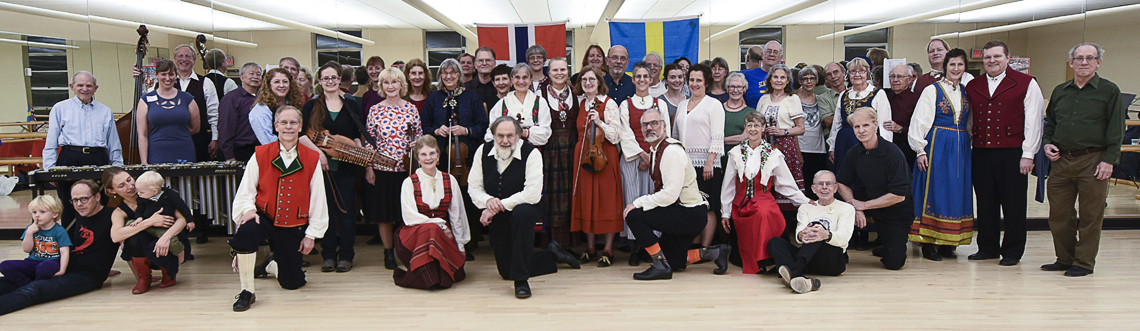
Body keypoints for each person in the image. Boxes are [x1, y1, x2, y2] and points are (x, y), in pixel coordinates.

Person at [229, 106, 328, 312]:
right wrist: (248, 210)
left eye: (293, 123)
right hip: (264, 216)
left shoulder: (311, 158)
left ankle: (270, 265)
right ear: (276, 126)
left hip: (292, 223)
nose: (288, 127)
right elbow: (246, 190)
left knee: (293, 283)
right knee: (247, 229)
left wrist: (311, 234)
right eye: (284, 122)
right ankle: (247, 291)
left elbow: (318, 199)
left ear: (300, 126)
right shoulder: (260, 154)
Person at [469, 117, 580, 298]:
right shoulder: (482, 151)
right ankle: (552, 254)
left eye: (510, 136)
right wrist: (488, 201)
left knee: (522, 213)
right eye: (500, 136)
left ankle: (521, 281)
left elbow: (532, 194)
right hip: (499, 211)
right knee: (506, 271)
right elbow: (474, 187)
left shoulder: (531, 153)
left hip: (530, 206)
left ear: (519, 136)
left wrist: (496, 206)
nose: (505, 141)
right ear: (493, 136)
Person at [1041, 43, 1125, 277]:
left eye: (1090, 58)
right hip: (1061, 161)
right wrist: (1047, 143)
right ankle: (1065, 258)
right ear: (1071, 63)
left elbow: (1116, 128)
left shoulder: (1109, 90)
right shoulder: (1061, 90)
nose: (1084, 62)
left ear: (1098, 62)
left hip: (1094, 159)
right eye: (1079, 58)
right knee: (1059, 214)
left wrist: (1109, 160)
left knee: (1090, 215)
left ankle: (1084, 263)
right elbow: (1051, 124)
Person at [965, 40, 1046, 267]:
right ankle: (987, 247)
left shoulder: (1027, 83)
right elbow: (969, 118)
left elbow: (1034, 121)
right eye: (988, 57)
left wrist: (1028, 153)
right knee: (985, 201)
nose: (992, 61)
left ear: (1008, 58)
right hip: (981, 151)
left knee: (1014, 203)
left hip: (1013, 152)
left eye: (997, 56)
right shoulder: (973, 85)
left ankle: (1012, 250)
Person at [624, 108, 729, 280]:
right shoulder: (656, 150)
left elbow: (670, 195)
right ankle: (714, 252)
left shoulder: (671, 151)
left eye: (654, 123)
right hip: (684, 212)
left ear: (664, 126)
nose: (649, 127)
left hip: (689, 213)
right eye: (645, 125)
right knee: (673, 262)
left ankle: (659, 265)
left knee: (634, 215)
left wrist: (637, 203)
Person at [0, 181, 118, 315]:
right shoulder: (76, 215)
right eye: (75, 200)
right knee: (6, 282)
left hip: (86, 275)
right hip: (59, 265)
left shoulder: (113, 215)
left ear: (97, 197)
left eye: (84, 199)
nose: (79, 204)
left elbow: (125, 243)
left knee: (35, 289)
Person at [721, 111, 811, 274]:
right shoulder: (735, 153)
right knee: (750, 215)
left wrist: (805, 201)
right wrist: (725, 213)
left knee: (764, 213)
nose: (753, 129)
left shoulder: (773, 153)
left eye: (757, 125)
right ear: (745, 128)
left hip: (763, 199)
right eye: (750, 125)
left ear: (764, 127)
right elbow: (728, 186)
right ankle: (749, 259)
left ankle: (765, 259)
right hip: (741, 202)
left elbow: (786, 184)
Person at [907, 48, 974, 261]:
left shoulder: (966, 91)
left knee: (956, 191)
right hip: (937, 145)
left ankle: (948, 242)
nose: (956, 68)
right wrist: (920, 150)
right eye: (952, 64)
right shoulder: (932, 90)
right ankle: (927, 243)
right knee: (933, 190)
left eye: (960, 65)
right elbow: (919, 121)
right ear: (945, 67)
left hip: (960, 146)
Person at [302, 62, 369, 273]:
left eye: (334, 78)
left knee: (348, 211)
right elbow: (301, 135)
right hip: (320, 167)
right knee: (326, 211)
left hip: (347, 166)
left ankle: (346, 256)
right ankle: (329, 256)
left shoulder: (351, 103)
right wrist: (318, 153)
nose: (330, 82)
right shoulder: (311, 106)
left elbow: (358, 134)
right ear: (319, 81)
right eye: (325, 78)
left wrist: (360, 150)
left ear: (340, 79)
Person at [422, 58, 490, 258]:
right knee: (444, 199)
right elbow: (423, 126)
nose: (449, 76)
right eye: (445, 73)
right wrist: (436, 130)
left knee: (466, 200)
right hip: (440, 158)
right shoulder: (434, 98)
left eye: (453, 73)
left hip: (466, 160)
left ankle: (468, 243)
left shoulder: (472, 97)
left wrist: (466, 130)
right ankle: (445, 242)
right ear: (440, 76)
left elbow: (483, 127)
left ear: (460, 75)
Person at [42, 71, 123, 228]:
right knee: (70, 206)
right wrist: (50, 168)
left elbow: (113, 143)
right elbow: (51, 140)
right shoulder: (60, 109)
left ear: (95, 88)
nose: (84, 89)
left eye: (88, 85)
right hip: (69, 157)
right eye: (80, 85)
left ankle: (98, 246)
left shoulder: (105, 111)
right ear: (72, 86)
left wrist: (117, 169)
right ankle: (71, 248)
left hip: (98, 159)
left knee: (99, 204)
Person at [836, 107, 912, 270]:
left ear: (875, 125)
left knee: (894, 263)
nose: (861, 130)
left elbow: (899, 195)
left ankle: (887, 246)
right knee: (835, 202)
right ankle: (837, 252)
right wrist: (855, 206)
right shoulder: (854, 153)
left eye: (866, 125)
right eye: (857, 127)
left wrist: (864, 206)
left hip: (895, 210)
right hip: (868, 200)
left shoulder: (893, 154)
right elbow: (841, 182)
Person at [364, 67, 424, 270]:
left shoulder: (410, 109)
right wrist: (369, 168)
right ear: (382, 86)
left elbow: (419, 136)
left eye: (394, 82)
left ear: (401, 85)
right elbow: (369, 143)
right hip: (382, 169)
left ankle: (405, 249)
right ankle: (388, 252)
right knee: (384, 214)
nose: (391, 86)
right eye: (386, 83)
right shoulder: (375, 110)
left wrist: (416, 145)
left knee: (405, 213)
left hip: (406, 169)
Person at [394, 136, 471, 289]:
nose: (428, 158)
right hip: (413, 235)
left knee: (458, 274)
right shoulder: (409, 182)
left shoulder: (449, 180)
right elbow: (409, 217)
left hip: (442, 236)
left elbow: (458, 215)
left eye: (432, 154)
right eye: (423, 154)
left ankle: (434, 275)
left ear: (438, 156)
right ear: (417, 158)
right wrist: (439, 224)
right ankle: (429, 277)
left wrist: (460, 246)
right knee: (431, 229)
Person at [618, 62, 673, 266]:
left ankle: (650, 247)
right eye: (638, 76)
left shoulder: (660, 104)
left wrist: (651, 154)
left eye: (645, 76)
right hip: (633, 159)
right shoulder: (626, 104)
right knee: (632, 200)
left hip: (655, 159)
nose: (641, 80)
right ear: (633, 80)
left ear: (651, 79)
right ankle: (634, 247)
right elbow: (625, 132)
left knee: (652, 201)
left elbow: (664, 131)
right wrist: (641, 154)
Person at [570, 65, 624, 267]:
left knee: (607, 200)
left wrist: (600, 123)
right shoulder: (581, 102)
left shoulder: (608, 104)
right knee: (587, 200)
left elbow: (617, 135)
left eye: (591, 79)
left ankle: (608, 248)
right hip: (584, 156)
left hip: (604, 155)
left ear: (599, 82)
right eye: (584, 80)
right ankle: (591, 248)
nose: (587, 83)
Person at [768, 170, 855, 294]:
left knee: (817, 228)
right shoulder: (805, 207)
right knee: (775, 242)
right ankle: (803, 281)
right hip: (808, 258)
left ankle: (793, 272)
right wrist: (802, 234)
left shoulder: (846, 208)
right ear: (814, 189)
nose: (824, 187)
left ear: (835, 188)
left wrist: (826, 235)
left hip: (832, 260)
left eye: (828, 184)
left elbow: (844, 238)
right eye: (820, 184)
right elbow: (799, 233)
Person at [102, 168, 184, 294]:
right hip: (146, 251)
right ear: (112, 191)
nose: (130, 186)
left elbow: (182, 220)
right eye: (122, 185)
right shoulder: (119, 212)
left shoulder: (158, 195)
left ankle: (168, 272)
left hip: (169, 244)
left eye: (129, 180)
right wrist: (150, 221)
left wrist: (166, 237)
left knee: (147, 234)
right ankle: (144, 277)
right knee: (131, 238)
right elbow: (115, 236)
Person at [675, 63, 726, 249]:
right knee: (691, 205)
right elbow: (675, 135)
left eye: (699, 80)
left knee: (709, 206)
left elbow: (717, 135)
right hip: (685, 164)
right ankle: (694, 244)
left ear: (706, 82)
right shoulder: (682, 105)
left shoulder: (714, 105)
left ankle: (706, 247)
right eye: (691, 80)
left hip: (707, 163)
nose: (694, 84)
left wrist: (710, 162)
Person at [756, 64, 807, 238]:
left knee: (785, 188)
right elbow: (757, 123)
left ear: (787, 81)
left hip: (785, 146)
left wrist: (782, 131)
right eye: (775, 77)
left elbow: (800, 128)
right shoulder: (763, 99)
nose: (778, 80)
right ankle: (769, 233)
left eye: (782, 77)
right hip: (765, 146)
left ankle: (785, 234)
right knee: (768, 187)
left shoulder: (792, 99)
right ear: (770, 80)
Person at [537, 58, 580, 248]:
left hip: (572, 149)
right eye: (555, 70)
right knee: (553, 197)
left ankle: (571, 245)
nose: (559, 73)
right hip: (551, 150)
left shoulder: (576, 93)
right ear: (548, 73)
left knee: (572, 195)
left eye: (563, 69)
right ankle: (552, 245)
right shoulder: (540, 94)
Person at [827, 58, 893, 178]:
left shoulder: (878, 94)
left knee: (867, 176)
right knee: (845, 177)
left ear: (867, 73)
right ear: (848, 74)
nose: (857, 75)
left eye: (861, 71)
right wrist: (832, 147)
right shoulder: (844, 95)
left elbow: (884, 125)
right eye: (853, 71)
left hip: (868, 141)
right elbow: (837, 124)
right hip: (844, 142)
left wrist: (885, 149)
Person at [137, 59, 201, 164]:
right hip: (157, 153)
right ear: (156, 75)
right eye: (163, 74)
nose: (167, 78)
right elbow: (142, 134)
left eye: (171, 74)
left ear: (176, 76)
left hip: (184, 151)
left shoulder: (187, 98)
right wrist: (144, 162)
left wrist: (175, 135)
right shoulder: (145, 100)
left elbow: (196, 128)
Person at [0, 195, 71, 287]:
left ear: (55, 214)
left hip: (51, 262)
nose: (37, 215)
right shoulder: (30, 229)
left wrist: (62, 270)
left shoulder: (59, 231)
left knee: (44, 268)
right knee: (5, 265)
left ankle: (37, 285)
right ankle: (27, 284)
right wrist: (29, 233)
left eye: (42, 212)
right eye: (34, 212)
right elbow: (26, 249)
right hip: (32, 261)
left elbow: (65, 252)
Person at [132, 171, 193, 267]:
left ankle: (180, 253)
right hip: (149, 225)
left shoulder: (170, 195)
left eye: (141, 192)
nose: (138, 194)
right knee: (130, 225)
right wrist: (139, 218)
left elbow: (182, 207)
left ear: (154, 191)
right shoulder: (142, 198)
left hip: (165, 226)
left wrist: (190, 221)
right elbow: (140, 210)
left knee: (172, 242)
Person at [171, 45, 220, 162]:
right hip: (171, 140)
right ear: (175, 60)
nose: (184, 59)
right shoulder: (165, 82)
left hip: (199, 140)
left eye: (188, 56)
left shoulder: (206, 83)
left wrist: (215, 139)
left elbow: (214, 114)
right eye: (180, 56)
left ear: (193, 60)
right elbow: (148, 101)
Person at [486, 63, 552, 148]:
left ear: (531, 79)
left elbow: (545, 133)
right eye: (517, 77)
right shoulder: (501, 104)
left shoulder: (540, 102)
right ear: (512, 80)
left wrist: (525, 132)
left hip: (533, 152)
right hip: (507, 152)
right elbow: (491, 134)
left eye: (525, 77)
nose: (521, 81)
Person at [796, 67, 831, 198]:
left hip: (818, 148)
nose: (809, 82)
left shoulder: (820, 99)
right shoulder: (794, 99)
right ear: (800, 81)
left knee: (817, 183)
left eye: (812, 79)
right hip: (801, 145)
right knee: (802, 184)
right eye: (805, 79)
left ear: (816, 81)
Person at [219, 62, 264, 162]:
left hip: (259, 151)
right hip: (238, 152)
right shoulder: (231, 98)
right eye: (251, 73)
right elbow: (225, 128)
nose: (255, 77)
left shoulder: (264, 98)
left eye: (258, 74)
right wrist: (229, 155)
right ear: (241, 77)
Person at [250, 68, 306, 145]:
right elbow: (267, 141)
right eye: (277, 82)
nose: (282, 85)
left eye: (285, 81)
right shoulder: (261, 109)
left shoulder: (292, 104)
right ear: (269, 85)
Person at [885, 63, 920, 168]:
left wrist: (900, 129)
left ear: (909, 79)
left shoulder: (917, 100)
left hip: (907, 147)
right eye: (892, 76)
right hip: (886, 147)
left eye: (900, 76)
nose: (895, 80)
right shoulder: (885, 97)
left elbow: (920, 129)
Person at [741, 41, 783, 108]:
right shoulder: (746, 75)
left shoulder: (786, 77)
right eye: (768, 51)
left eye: (775, 52)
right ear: (762, 55)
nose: (771, 54)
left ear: (780, 57)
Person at [722, 73, 752, 155]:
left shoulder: (751, 113)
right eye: (732, 87)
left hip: (740, 156)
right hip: (719, 155)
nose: (735, 90)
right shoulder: (718, 108)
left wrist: (720, 140)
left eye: (739, 87)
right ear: (727, 89)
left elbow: (745, 137)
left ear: (744, 89)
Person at [466, 47, 501, 111]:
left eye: (488, 60)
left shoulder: (501, 87)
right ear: (475, 64)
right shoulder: (465, 88)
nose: (484, 63)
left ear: (494, 64)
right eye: (481, 60)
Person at [660, 63, 688, 136]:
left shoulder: (690, 100)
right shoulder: (659, 101)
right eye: (673, 77)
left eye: (680, 77)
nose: (677, 80)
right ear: (665, 80)